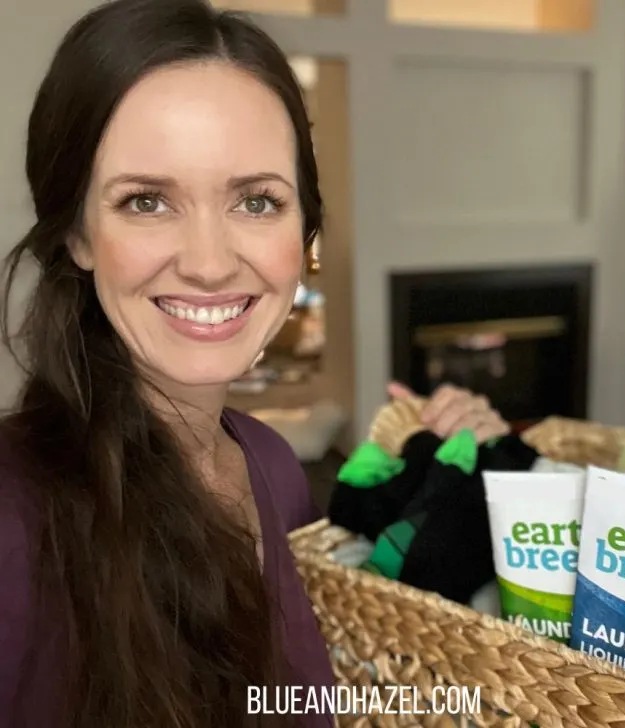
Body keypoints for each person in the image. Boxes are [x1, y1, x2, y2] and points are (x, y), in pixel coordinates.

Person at [0, 1, 509, 726]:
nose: (209, 263)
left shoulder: (271, 467)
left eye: (257, 201)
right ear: (77, 234)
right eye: (146, 201)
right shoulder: (15, 517)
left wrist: (448, 456)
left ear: (306, 231)